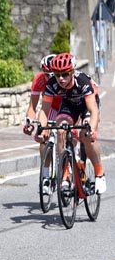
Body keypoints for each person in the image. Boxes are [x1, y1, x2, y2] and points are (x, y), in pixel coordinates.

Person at [36, 53, 106, 194]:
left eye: (65, 74)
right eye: (57, 75)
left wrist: (92, 129)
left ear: (72, 72)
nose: (61, 79)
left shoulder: (83, 81)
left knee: (86, 135)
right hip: (69, 105)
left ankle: (99, 174)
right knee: (61, 131)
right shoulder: (52, 84)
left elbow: (93, 110)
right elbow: (44, 110)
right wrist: (41, 129)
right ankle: (66, 175)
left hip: (86, 105)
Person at [23, 54, 61, 194]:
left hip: (67, 106)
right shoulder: (39, 80)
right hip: (51, 107)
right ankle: (45, 176)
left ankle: (69, 163)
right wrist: (29, 123)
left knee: (67, 133)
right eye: (46, 74)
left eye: (53, 74)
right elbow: (32, 107)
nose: (50, 78)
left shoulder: (63, 78)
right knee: (43, 137)